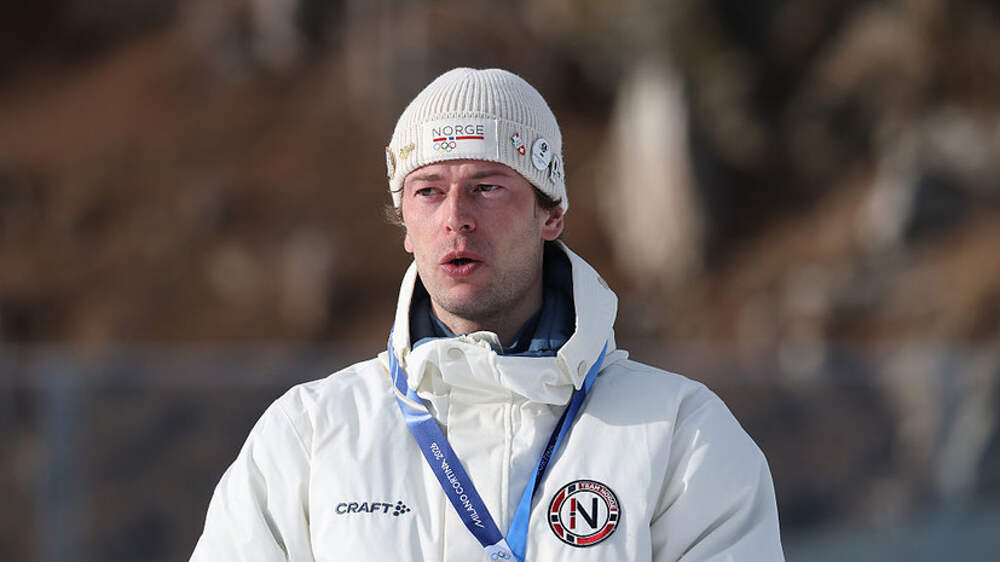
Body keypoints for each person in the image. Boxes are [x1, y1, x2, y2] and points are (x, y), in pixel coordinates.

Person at [191, 67, 785, 561]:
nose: (455, 217)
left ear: (550, 215)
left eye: (487, 186)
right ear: (406, 225)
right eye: (428, 190)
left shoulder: (680, 433)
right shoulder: (309, 435)